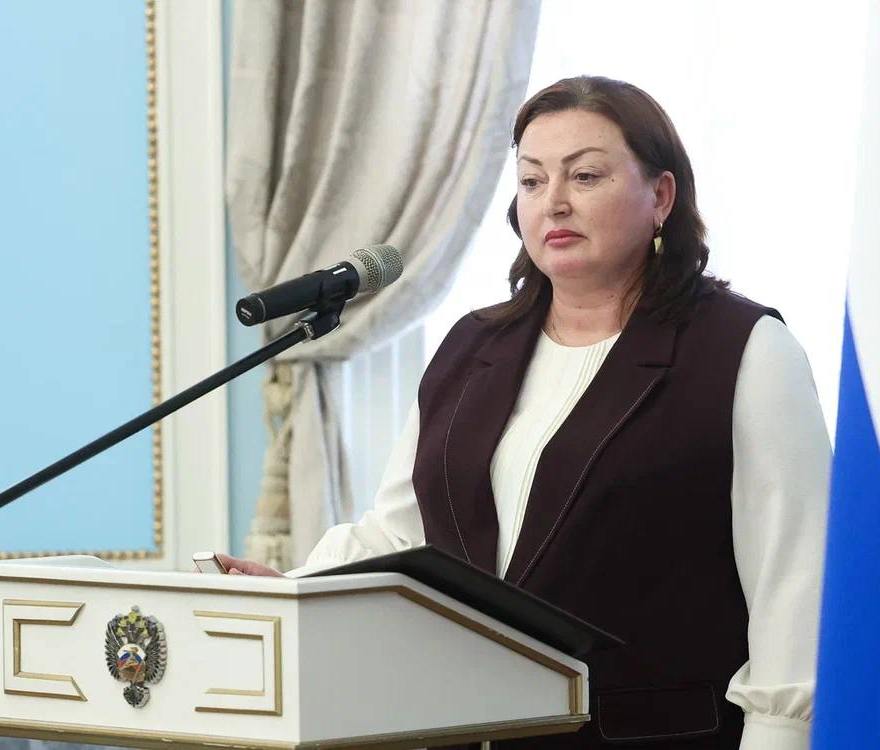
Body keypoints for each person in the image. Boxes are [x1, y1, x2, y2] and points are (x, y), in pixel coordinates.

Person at [220, 76, 831, 750]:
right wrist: (293, 589)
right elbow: (402, 534)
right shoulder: (471, 347)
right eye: (532, 181)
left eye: (585, 176)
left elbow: (795, 589)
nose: (554, 202)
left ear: (660, 196)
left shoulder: (743, 350)